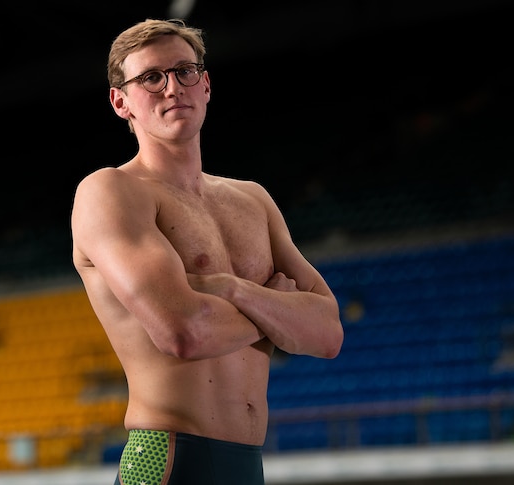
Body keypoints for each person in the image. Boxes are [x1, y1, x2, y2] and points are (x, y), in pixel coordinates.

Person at [70, 18, 344, 484]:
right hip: (169, 457)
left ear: (206, 85)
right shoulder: (111, 191)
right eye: (151, 78)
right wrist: (280, 314)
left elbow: (328, 334)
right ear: (121, 102)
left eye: (184, 71)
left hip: (248, 464)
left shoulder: (252, 199)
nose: (172, 87)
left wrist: (232, 290)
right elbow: (183, 334)